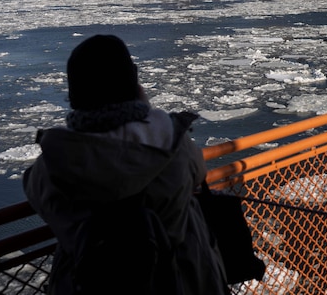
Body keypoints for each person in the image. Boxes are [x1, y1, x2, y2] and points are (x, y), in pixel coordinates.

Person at [23, 34, 227, 295]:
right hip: (180, 278)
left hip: (88, 284)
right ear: (133, 83)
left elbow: (35, 190)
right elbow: (198, 172)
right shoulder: (172, 143)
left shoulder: (54, 164)